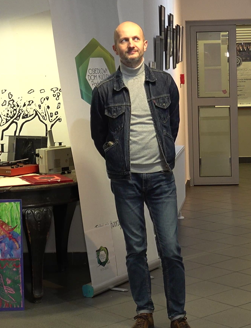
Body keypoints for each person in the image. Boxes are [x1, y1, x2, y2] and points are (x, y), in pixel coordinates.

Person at [90, 21, 188, 328]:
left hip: (161, 178)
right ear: (115, 48)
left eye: (135, 39)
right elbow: (99, 136)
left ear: (145, 45)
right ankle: (144, 311)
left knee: (170, 249)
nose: (130, 44)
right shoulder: (104, 91)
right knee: (135, 250)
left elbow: (172, 124)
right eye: (123, 40)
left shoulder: (164, 83)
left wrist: (161, 153)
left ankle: (178, 315)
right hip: (126, 181)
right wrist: (118, 159)